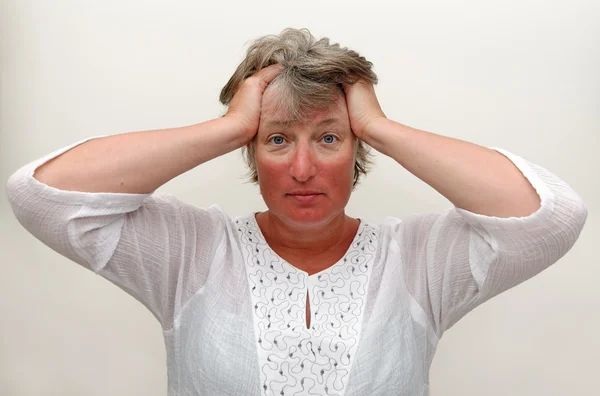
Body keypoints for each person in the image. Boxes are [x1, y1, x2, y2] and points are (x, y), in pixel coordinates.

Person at [5, 28, 588, 396]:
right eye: (278, 139)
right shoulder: (192, 252)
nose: (303, 168)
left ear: (358, 150)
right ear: (251, 153)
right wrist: (230, 125)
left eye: (330, 139)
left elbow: (550, 219)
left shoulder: (417, 260)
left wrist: (380, 126)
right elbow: (41, 194)